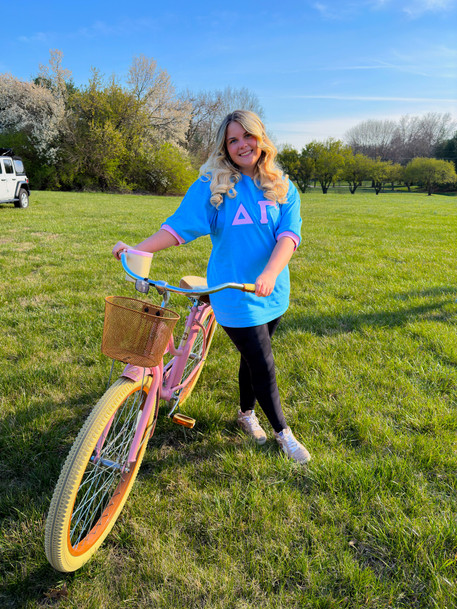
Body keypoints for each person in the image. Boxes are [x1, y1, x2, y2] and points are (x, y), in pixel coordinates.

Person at [112, 110, 310, 464]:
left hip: (270, 291)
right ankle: (284, 433)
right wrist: (138, 249)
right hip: (233, 292)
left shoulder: (283, 186)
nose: (241, 145)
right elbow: (178, 228)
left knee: (252, 360)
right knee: (263, 363)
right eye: (232, 140)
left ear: (260, 138)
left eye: (247, 136)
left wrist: (269, 274)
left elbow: (289, 237)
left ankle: (246, 414)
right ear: (225, 147)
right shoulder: (214, 183)